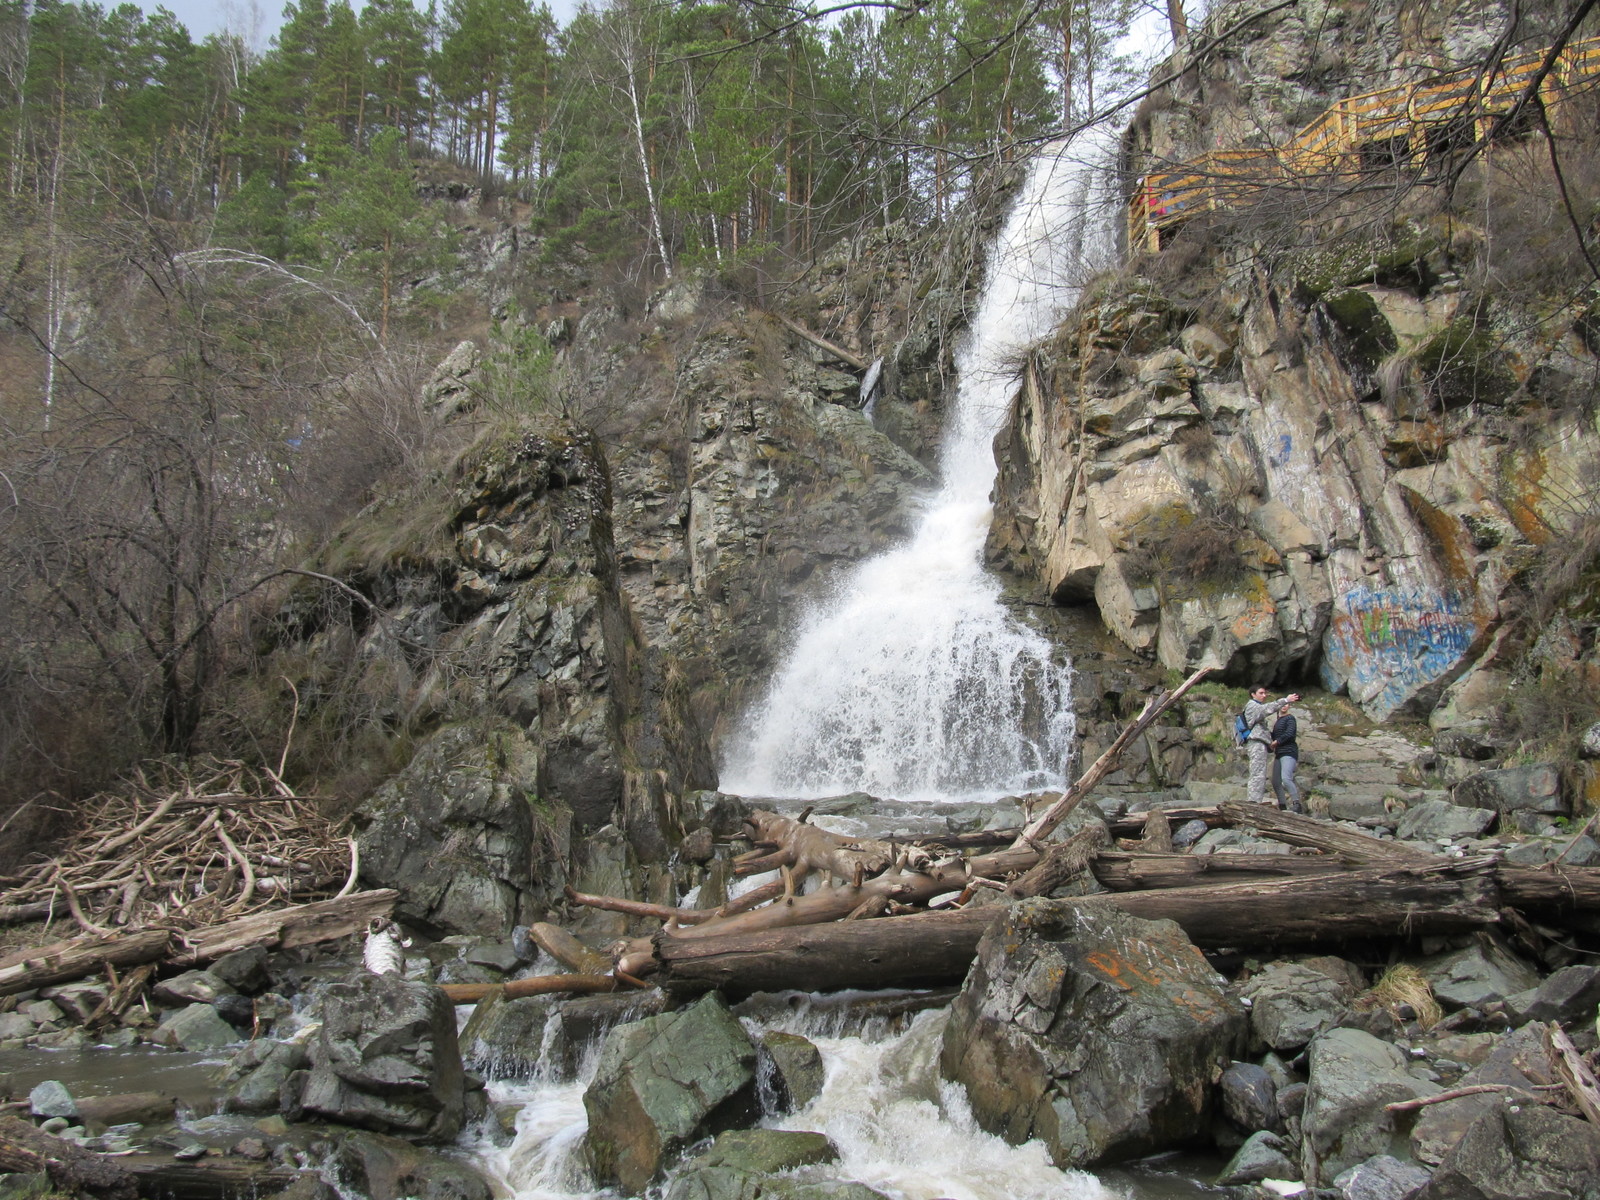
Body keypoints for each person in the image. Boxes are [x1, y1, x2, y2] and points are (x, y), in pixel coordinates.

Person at [1243, 685, 1300, 806]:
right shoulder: (1252, 706)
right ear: (1253, 694)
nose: (1264, 696)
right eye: (1261, 693)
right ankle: (1254, 802)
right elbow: (1267, 709)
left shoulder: (1255, 707)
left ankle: (1255, 800)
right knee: (1258, 773)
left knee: (1259, 772)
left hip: (1260, 743)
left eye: (1265, 693)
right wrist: (1285, 700)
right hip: (1256, 743)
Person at [1270, 707, 1303, 813]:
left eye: (1286, 704)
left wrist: (1277, 742)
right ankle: (1282, 805)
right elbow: (1274, 735)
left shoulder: (1290, 719)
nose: (1284, 706)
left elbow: (1290, 734)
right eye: (1282, 704)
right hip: (1279, 753)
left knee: (1286, 778)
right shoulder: (1278, 720)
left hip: (1289, 751)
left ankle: (1296, 803)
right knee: (1275, 781)